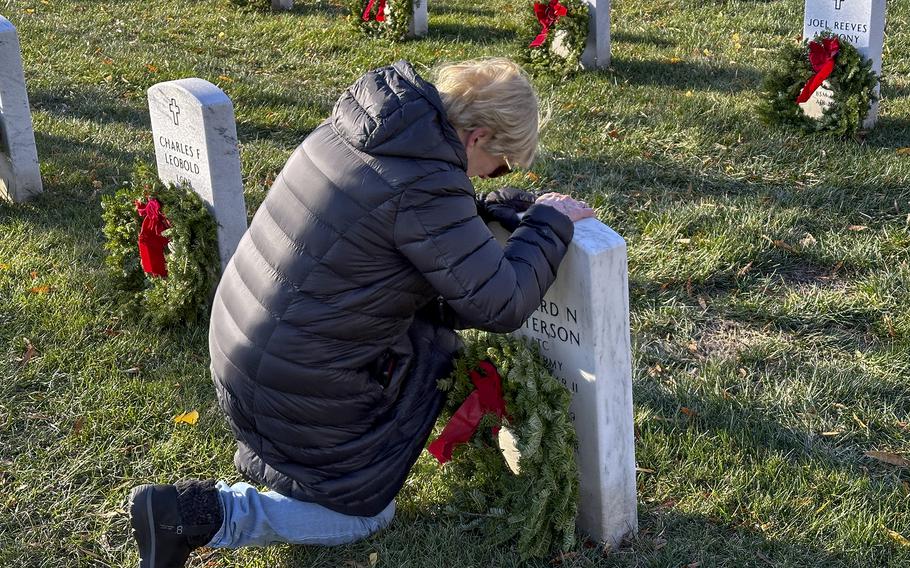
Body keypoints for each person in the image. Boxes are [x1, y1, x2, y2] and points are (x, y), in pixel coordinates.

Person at [128, 57, 593, 568]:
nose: (494, 175)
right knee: (364, 514)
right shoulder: (423, 185)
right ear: (476, 137)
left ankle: (295, 466)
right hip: (293, 379)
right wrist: (548, 224)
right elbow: (499, 302)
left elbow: (389, 228)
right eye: (502, 164)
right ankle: (204, 514)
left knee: (421, 339)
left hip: (241, 351)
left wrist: (485, 207)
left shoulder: (370, 127)